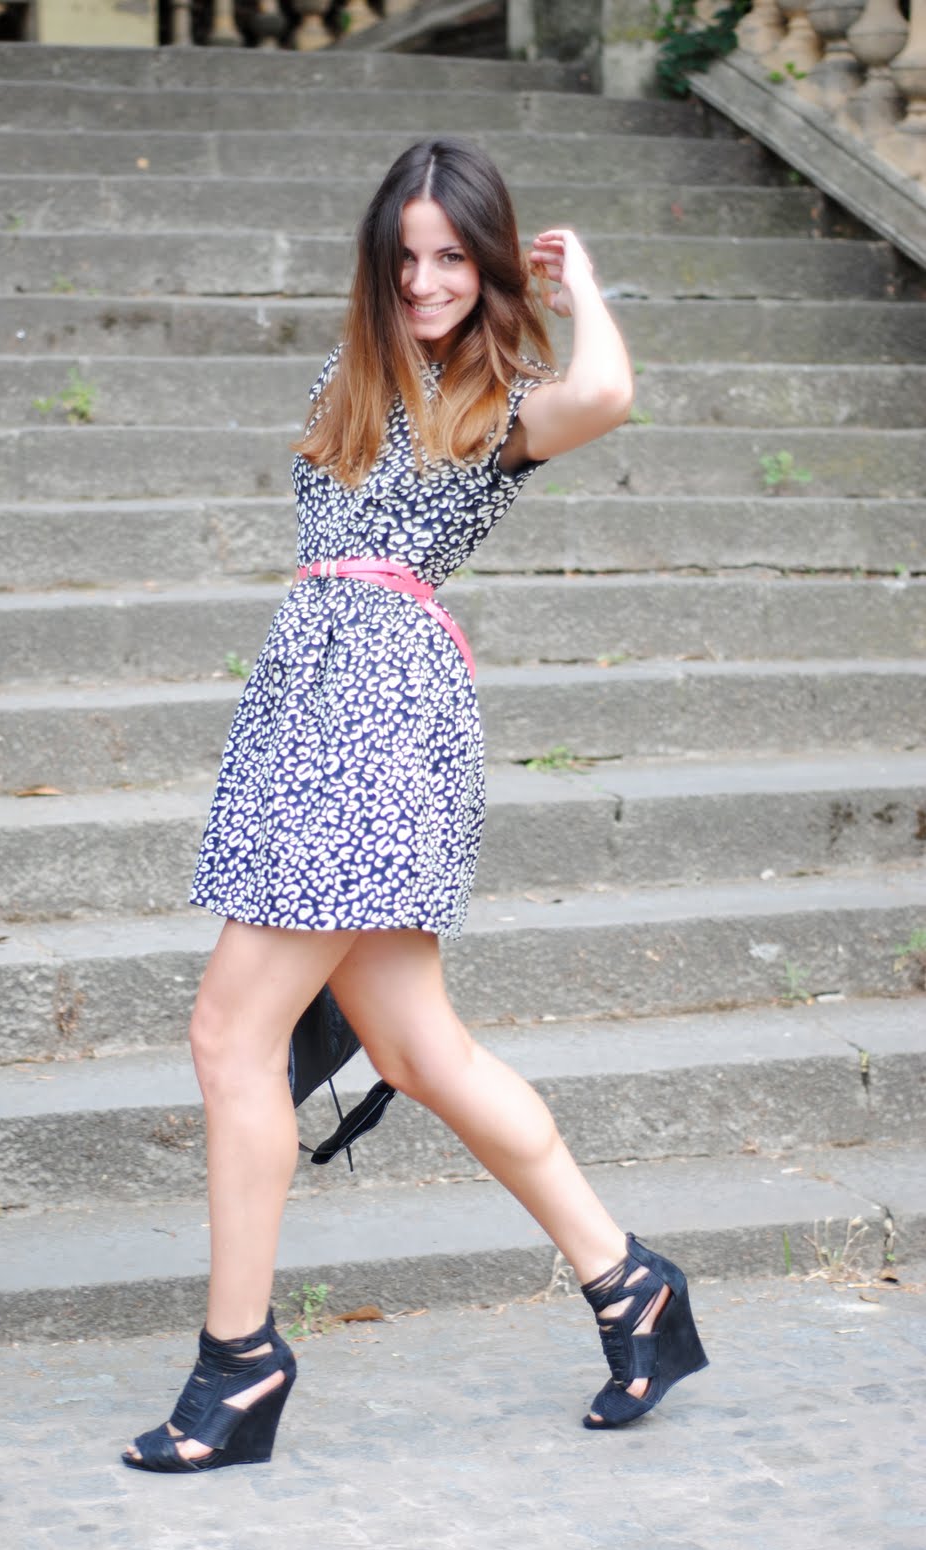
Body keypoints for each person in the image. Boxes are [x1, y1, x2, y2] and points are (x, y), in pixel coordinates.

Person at [122, 137, 708, 1474]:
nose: (428, 280)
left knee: (230, 1033)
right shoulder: (359, 375)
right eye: (407, 256)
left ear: (491, 266)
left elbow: (609, 391)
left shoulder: (503, 403)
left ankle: (240, 1363)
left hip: (379, 724)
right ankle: (630, 1285)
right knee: (417, 1051)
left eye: (454, 258)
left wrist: (579, 287)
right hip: (311, 706)